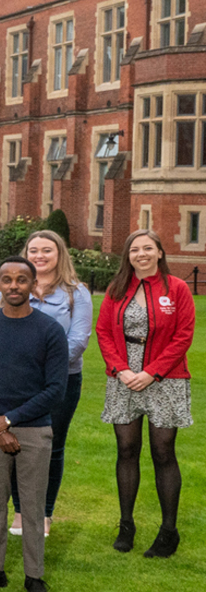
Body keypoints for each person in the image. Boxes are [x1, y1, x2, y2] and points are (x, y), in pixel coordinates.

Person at [0, 257, 67, 592]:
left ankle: (34, 576)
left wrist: (10, 420)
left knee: (33, 507)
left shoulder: (49, 331)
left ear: (33, 285)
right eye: (7, 279)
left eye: (22, 280)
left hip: (35, 431)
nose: (14, 286)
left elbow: (55, 389)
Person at [96, 229, 195, 558]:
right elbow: (104, 332)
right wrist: (120, 368)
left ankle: (169, 531)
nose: (142, 254)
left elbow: (183, 336)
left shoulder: (177, 289)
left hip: (165, 378)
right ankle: (127, 524)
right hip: (124, 376)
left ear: (160, 253)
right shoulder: (117, 289)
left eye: (148, 248)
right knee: (126, 449)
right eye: (135, 249)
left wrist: (152, 372)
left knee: (163, 452)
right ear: (128, 256)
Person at [0, 230, 92, 539]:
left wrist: (45, 371)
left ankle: (44, 513)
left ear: (59, 254)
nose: (39, 256)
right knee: (16, 445)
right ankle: (21, 511)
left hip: (60, 383)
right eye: (34, 250)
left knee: (51, 448)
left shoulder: (76, 292)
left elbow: (78, 340)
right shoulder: (11, 287)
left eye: (47, 250)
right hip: (15, 384)